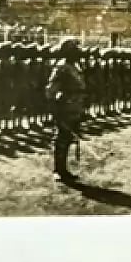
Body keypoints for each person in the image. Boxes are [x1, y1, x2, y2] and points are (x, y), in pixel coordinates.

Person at [45, 37, 86, 183]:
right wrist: (55, 108)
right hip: (65, 105)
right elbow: (50, 90)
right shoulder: (61, 67)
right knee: (61, 138)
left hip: (76, 105)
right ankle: (58, 170)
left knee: (68, 137)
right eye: (75, 49)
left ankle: (64, 170)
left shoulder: (75, 66)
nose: (78, 52)